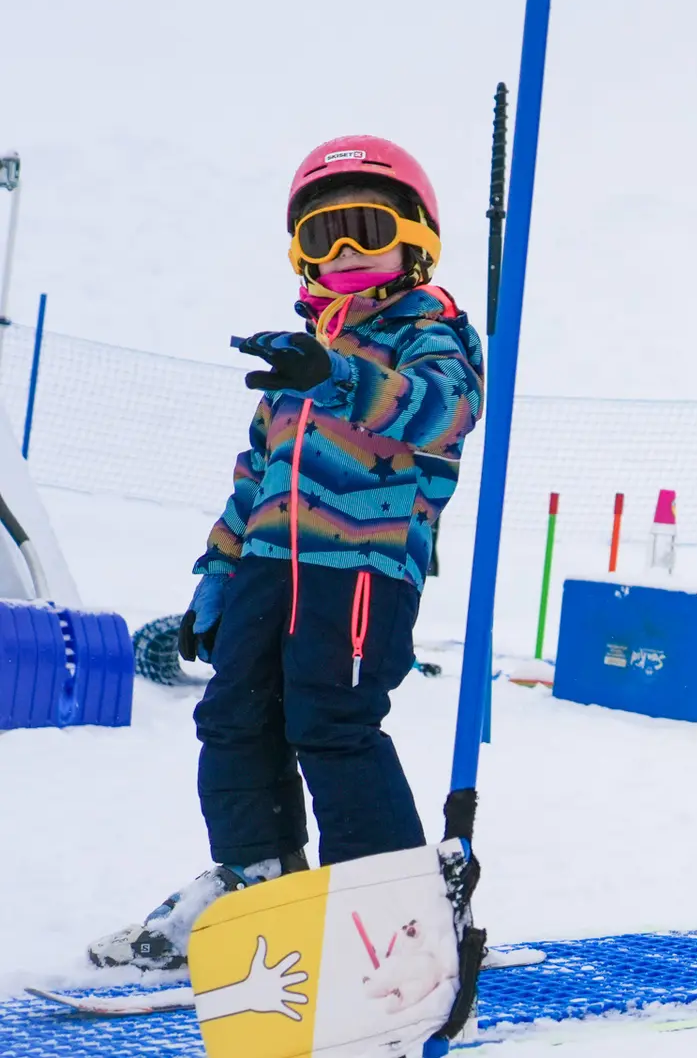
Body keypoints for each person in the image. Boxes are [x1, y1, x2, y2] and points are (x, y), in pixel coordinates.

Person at [89, 136, 485, 970]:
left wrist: (332, 373)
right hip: (270, 567)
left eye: (364, 230)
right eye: (320, 236)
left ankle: (388, 914)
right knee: (233, 718)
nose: (341, 254)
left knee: (331, 724)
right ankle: (258, 877)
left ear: (417, 240)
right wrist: (221, 569)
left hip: (364, 572)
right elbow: (256, 474)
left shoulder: (431, 333)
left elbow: (440, 412)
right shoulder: (300, 352)